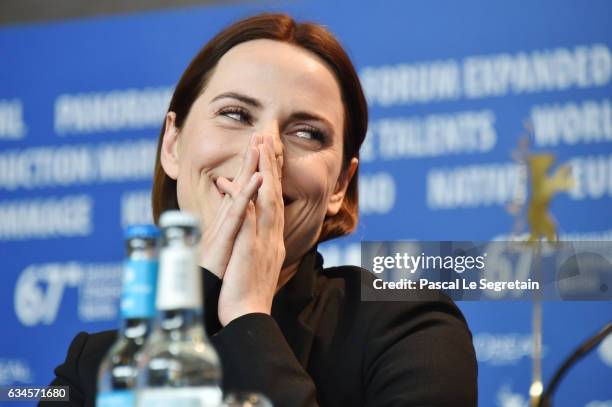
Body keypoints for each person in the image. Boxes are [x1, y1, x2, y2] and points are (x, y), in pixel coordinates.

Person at [42, 12, 477, 407]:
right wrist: (200, 295)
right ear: (172, 145)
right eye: (234, 113)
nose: (263, 149)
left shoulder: (412, 331)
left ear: (340, 185)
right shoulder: (90, 368)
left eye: (306, 133)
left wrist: (248, 316)